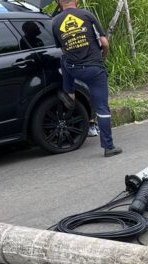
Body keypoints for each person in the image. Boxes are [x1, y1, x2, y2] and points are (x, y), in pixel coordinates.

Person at [52, 0, 122, 157]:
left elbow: (62, 48)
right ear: (76, 1)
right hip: (94, 70)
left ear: (58, 2)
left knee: (64, 59)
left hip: (73, 69)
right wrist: (103, 56)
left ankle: (69, 93)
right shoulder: (86, 15)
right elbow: (104, 42)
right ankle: (108, 147)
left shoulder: (55, 21)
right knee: (102, 108)